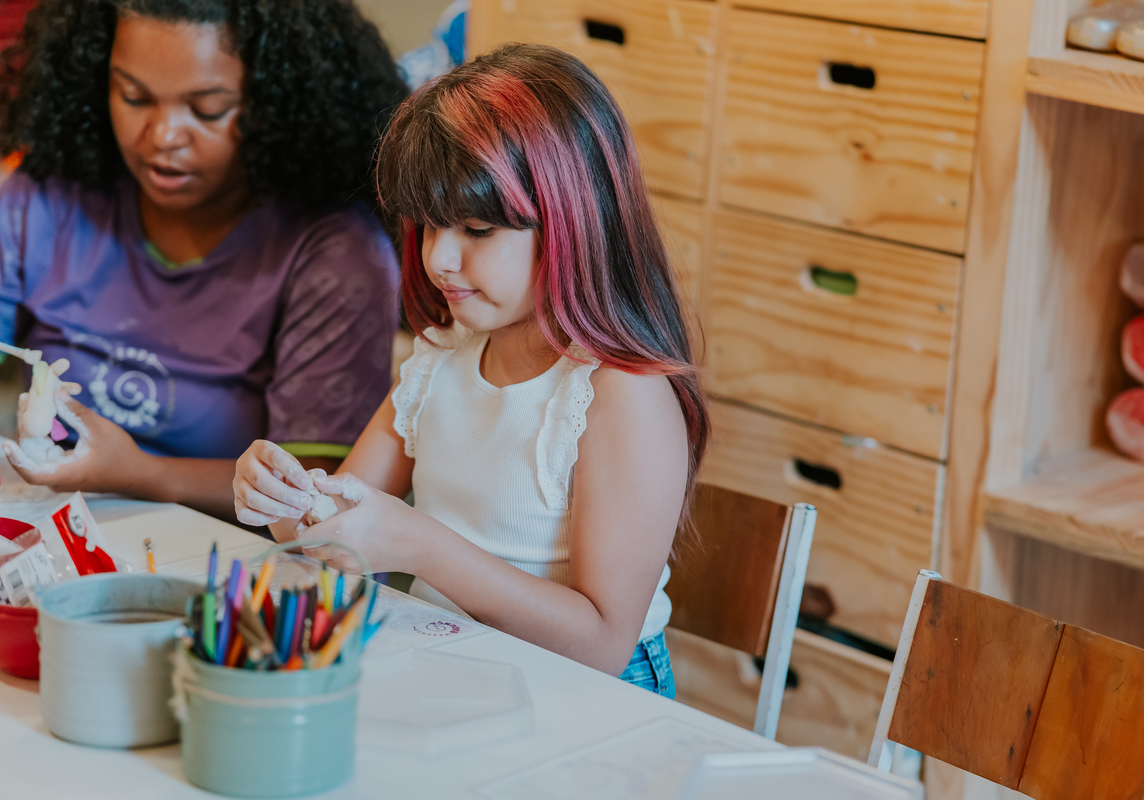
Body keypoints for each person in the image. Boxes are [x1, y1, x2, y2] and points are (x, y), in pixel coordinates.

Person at [232, 44, 709, 694]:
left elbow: (600, 642)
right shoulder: (440, 358)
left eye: (477, 229)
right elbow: (335, 542)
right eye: (427, 227)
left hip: (590, 694)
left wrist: (418, 546)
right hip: (453, 661)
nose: (441, 259)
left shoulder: (621, 392)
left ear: (576, 219)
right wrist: (283, 499)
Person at [0, 0, 407, 521]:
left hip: (225, 563)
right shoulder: (46, 197)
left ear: (275, 100)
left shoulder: (336, 255)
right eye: (134, 96)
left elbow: (312, 496)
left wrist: (139, 473)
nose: (163, 136)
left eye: (208, 108)